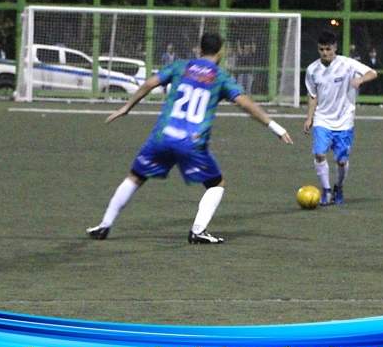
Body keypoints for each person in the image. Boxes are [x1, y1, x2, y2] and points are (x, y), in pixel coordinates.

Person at [86, 32, 293, 244]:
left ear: (199, 49)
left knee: (135, 177)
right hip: (192, 142)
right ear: (221, 52)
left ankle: (104, 225)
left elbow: (149, 84)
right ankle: (198, 231)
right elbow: (244, 103)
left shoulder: (180, 67)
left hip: (163, 136)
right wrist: (275, 127)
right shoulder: (220, 77)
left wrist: (127, 107)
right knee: (216, 184)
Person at [303, 31, 378, 206]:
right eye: (321, 49)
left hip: (344, 120)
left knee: (341, 161)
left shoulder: (347, 64)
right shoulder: (312, 70)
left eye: (328, 49)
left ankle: (339, 186)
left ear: (335, 47)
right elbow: (312, 95)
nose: (324, 53)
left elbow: (372, 73)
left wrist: (360, 80)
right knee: (320, 154)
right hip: (323, 119)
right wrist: (309, 118)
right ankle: (326, 190)